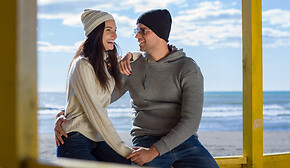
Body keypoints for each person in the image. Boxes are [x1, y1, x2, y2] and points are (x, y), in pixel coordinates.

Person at [56, 9, 220, 168]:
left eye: (143, 30)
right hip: (146, 140)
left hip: (185, 141)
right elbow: (97, 99)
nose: (136, 35)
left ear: (159, 33)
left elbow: (191, 122)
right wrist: (64, 113)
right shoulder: (130, 67)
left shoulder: (187, 67)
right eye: (137, 30)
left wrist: (155, 151)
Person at [56, 9, 135, 164]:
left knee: (127, 164)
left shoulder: (106, 63)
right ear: (96, 32)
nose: (115, 35)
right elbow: (96, 113)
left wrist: (129, 55)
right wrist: (125, 150)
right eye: (108, 30)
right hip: (74, 139)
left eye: (115, 30)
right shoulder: (82, 65)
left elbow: (140, 56)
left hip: (97, 139)